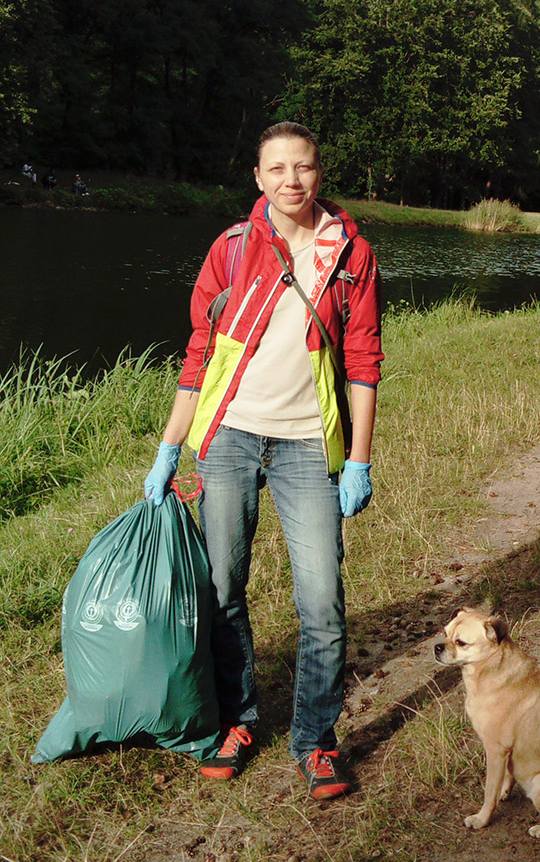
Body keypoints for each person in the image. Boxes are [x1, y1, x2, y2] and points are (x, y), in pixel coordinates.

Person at [144, 121, 383, 800]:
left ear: (319, 172)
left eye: (302, 167)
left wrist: (357, 458)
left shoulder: (351, 253)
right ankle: (238, 720)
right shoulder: (231, 248)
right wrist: (170, 447)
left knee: (323, 603)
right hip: (228, 440)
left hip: (309, 445)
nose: (290, 180)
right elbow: (200, 353)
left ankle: (315, 738)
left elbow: (363, 359)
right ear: (258, 178)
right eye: (276, 169)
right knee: (223, 590)